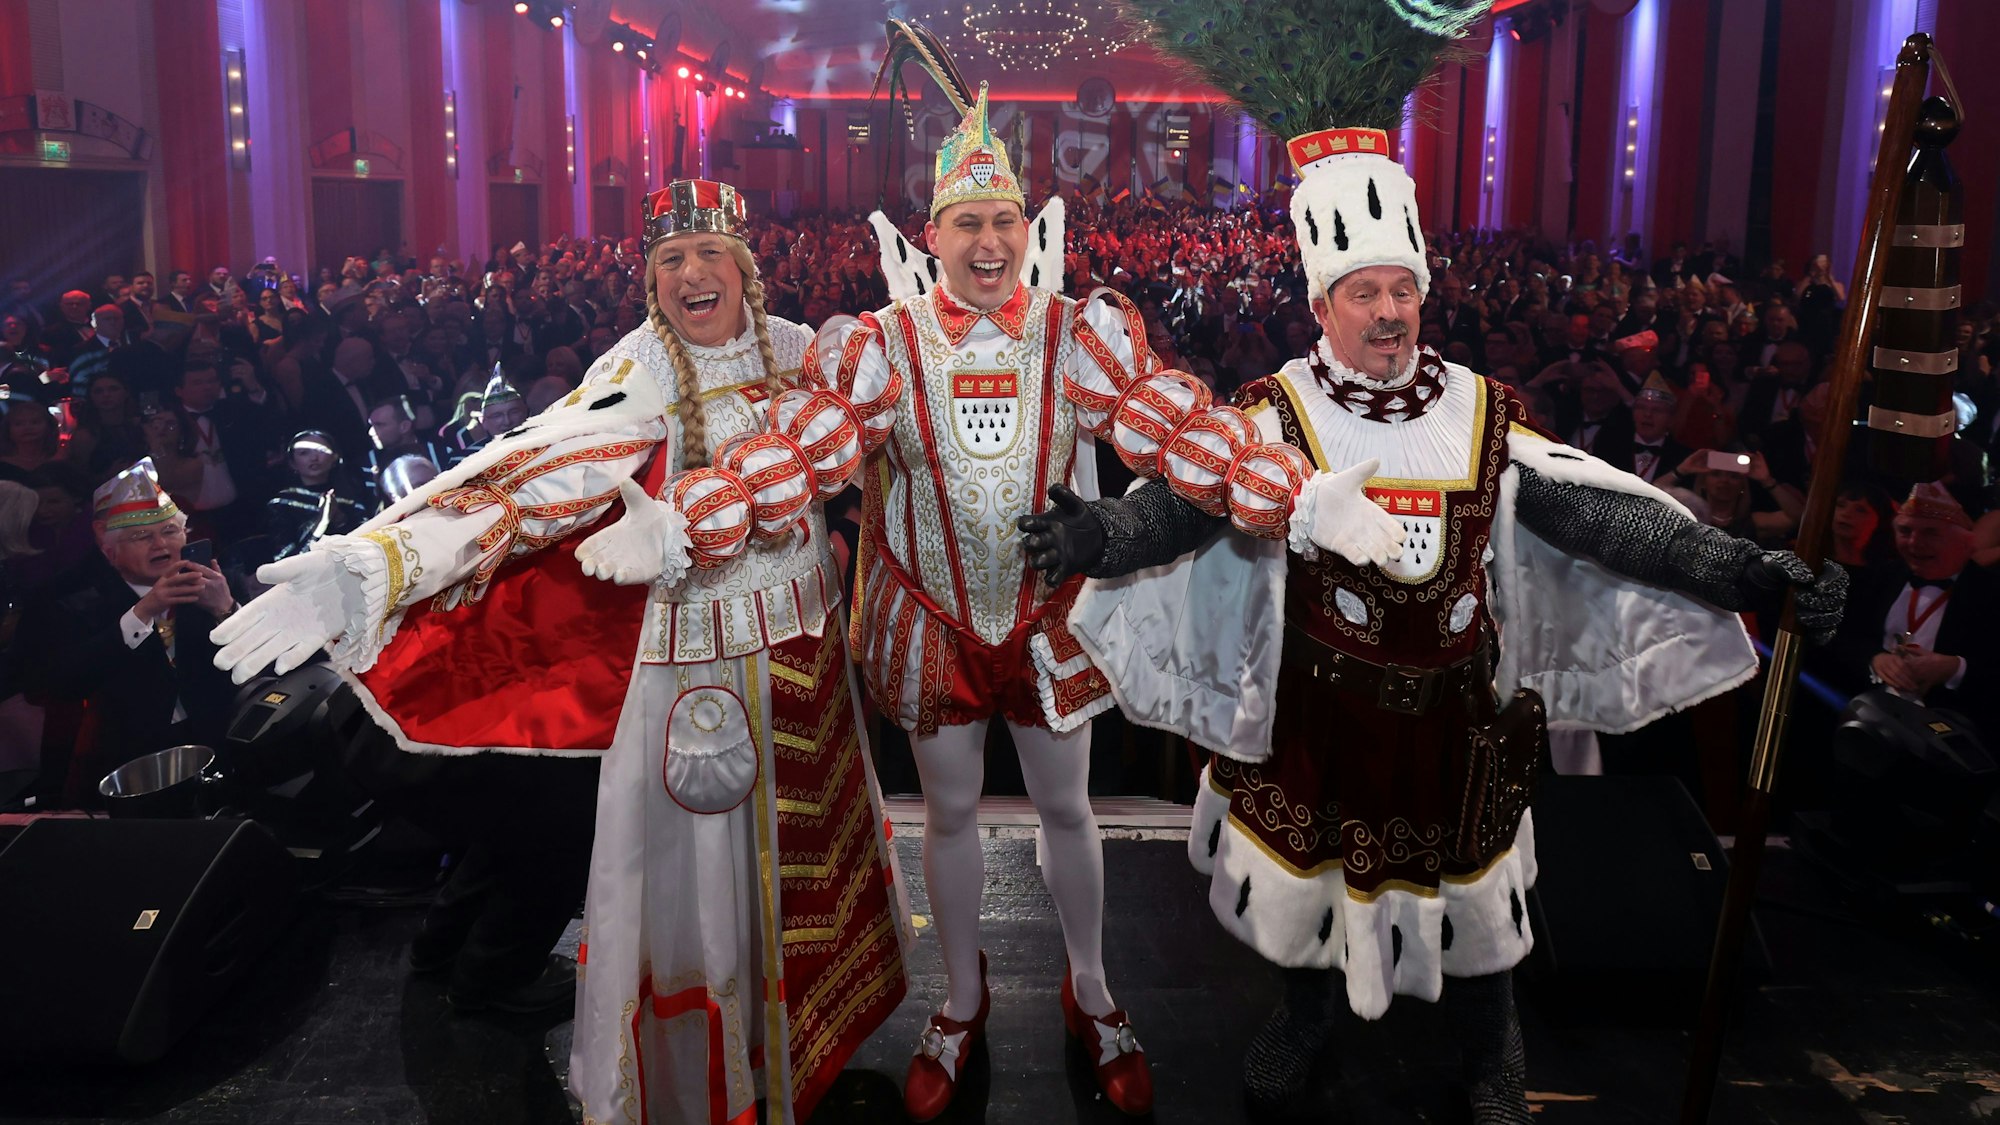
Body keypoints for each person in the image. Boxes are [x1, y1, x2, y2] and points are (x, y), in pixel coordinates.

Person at [1019, 10, 1848, 1120]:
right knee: (1301, 894)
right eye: (1362, 293)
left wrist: (1743, 570)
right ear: (1320, 305)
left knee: (1477, 907)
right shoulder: (1271, 411)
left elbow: (1598, 522)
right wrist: (1095, 537)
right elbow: (1183, 509)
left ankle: (1490, 1053)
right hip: (1312, 716)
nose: (1388, 311)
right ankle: (1304, 1022)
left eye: (1400, 289)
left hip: (1454, 720)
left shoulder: (1479, 412)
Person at [211, 179, 908, 1125]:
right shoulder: (639, 371)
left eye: (709, 256)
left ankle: (803, 1054)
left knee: (804, 866)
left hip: (811, 657)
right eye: (669, 261)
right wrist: (384, 558)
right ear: (650, 281)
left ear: (744, 265)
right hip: (699, 675)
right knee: (702, 892)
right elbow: (531, 473)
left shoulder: (799, 349)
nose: (691, 275)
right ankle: (716, 1087)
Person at [820, 35, 1399, 1118]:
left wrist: (1299, 494)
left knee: (1067, 810)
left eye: (1002, 222)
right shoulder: (878, 345)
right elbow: (812, 443)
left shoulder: (1073, 334)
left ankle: (1091, 992)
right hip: (929, 614)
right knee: (944, 816)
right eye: (965, 224)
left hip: (1048, 615)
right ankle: (959, 1000)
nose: (986, 242)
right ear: (929, 233)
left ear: (1029, 230)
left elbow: (1169, 428)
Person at [14, 459, 238, 806]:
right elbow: (52, 683)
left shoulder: (212, 582)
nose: (160, 545)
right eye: (141, 536)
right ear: (109, 550)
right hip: (121, 764)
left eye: (169, 531)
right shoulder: (65, 599)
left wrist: (225, 611)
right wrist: (142, 613)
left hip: (216, 744)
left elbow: (264, 670)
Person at [1823, 482, 1997, 740]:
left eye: (1931, 533)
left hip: (1953, 739)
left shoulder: (1990, 592)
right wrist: (1874, 659)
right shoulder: (1880, 578)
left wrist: (1954, 668)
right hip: (1869, 727)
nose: (1915, 542)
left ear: (1963, 543)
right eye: (1905, 531)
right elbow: (1841, 635)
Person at [264, 431, 369, 560]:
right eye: (304, 453)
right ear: (292, 463)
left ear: (334, 457)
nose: (314, 458)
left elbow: (367, 547)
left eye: (320, 450)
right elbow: (284, 560)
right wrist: (322, 521)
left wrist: (341, 521)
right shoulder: (281, 504)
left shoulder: (351, 501)